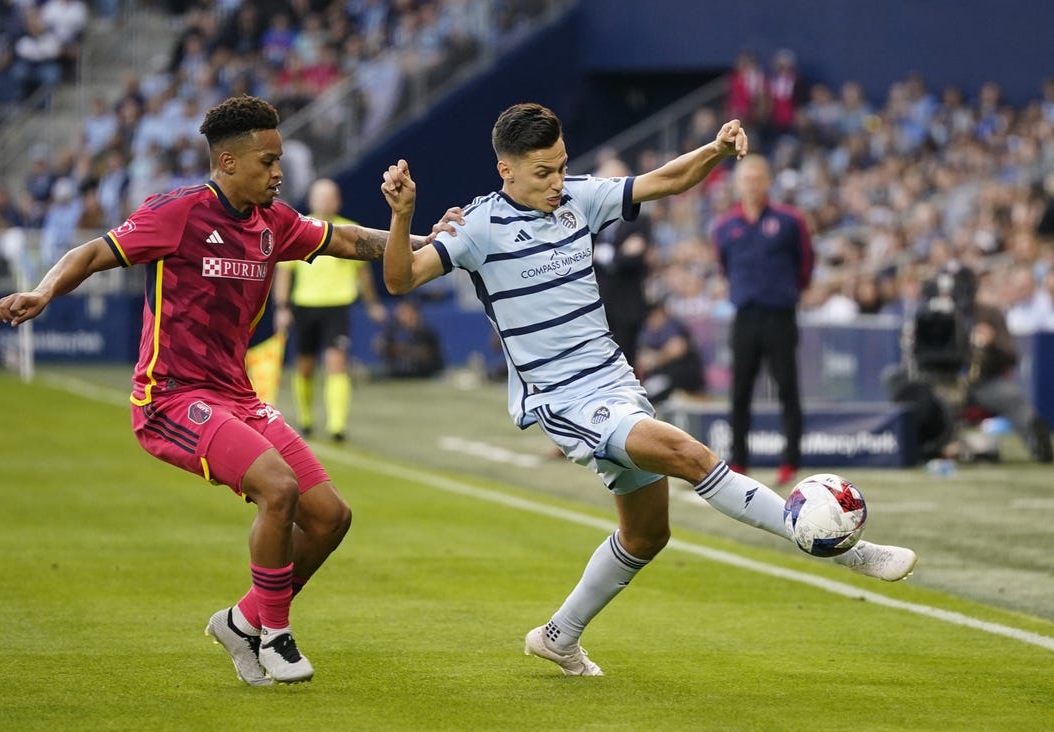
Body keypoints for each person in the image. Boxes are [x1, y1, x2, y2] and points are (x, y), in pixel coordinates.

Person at [379, 102, 917, 678]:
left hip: (616, 381)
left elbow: (665, 180)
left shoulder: (578, 199)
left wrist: (713, 150)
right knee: (691, 455)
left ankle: (559, 636)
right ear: (505, 170)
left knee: (646, 534)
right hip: (562, 397)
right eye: (544, 172)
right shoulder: (477, 227)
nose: (558, 182)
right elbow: (400, 277)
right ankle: (838, 544)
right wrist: (404, 216)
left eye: (562, 166)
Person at [0, 95, 457, 687]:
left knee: (331, 517)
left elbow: (347, 241)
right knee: (278, 487)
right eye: (268, 161)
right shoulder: (178, 213)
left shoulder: (275, 222)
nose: (279, 172)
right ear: (230, 164)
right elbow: (91, 252)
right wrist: (43, 291)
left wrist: (419, 235)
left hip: (236, 395)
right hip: (170, 397)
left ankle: (242, 620)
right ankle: (275, 633)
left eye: (280, 160)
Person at [713, 154, 814, 487]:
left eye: (758, 178)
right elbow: (724, 266)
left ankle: (790, 462)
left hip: (780, 315)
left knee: (788, 388)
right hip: (745, 316)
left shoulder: (789, 220)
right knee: (739, 391)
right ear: (738, 184)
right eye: (747, 178)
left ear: (768, 181)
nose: (753, 184)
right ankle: (739, 460)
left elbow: (806, 265)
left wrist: (786, 291)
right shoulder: (726, 226)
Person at [273, 178, 387, 442]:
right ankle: (306, 420)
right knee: (304, 366)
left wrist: (372, 304)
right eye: (320, 196)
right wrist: (281, 307)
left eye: (330, 196)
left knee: (337, 363)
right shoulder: (297, 228)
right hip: (304, 305)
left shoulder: (351, 231)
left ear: (338, 200)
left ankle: (337, 426)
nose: (325, 201)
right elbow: (284, 273)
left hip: (337, 306)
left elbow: (363, 273)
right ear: (311, 199)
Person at [967, 276, 1053, 463]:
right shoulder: (942, 314)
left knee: (1013, 397)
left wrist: (992, 343)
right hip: (948, 381)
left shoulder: (991, 315)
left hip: (986, 382)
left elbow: (1011, 355)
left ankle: (1037, 441)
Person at [591, 156, 653, 368]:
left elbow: (635, 258)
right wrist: (617, 253)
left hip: (628, 305)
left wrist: (605, 254)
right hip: (596, 305)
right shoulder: (589, 219)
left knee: (626, 364)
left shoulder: (639, 219)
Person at [634, 300, 705, 405]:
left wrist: (656, 358)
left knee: (650, 395)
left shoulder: (671, 325)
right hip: (662, 377)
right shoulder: (648, 330)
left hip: (683, 377)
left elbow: (678, 347)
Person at [374, 299, 444, 379]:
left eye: (406, 312)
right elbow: (382, 347)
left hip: (421, 374)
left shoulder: (426, 332)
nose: (402, 315)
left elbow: (432, 356)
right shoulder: (393, 331)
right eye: (401, 312)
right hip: (396, 373)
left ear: (414, 313)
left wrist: (403, 350)